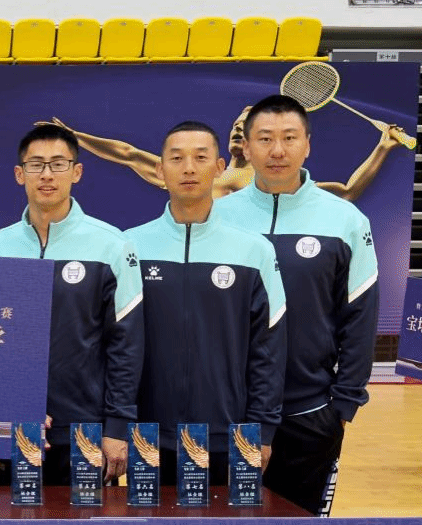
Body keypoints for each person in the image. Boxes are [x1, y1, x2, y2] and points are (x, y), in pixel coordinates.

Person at [213, 94, 379, 516]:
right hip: (226, 414)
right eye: (265, 138)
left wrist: (342, 407)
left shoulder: (346, 220)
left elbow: (360, 316)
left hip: (310, 413)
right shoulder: (216, 217)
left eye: (289, 137)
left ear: (307, 144)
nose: (277, 150)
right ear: (246, 147)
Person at [125, 121, 286, 485]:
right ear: (159, 169)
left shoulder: (254, 250)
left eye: (200, 158)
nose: (188, 168)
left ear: (219, 168)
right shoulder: (129, 246)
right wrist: (118, 425)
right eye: (177, 158)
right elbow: (114, 346)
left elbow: (269, 348)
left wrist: (262, 429)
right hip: (145, 434)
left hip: (231, 435)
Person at [0, 125, 143, 486]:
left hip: (87, 430)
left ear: (77, 172)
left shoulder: (112, 245)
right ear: (19, 174)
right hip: (17, 426)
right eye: (36, 164)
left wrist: (117, 427)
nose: (47, 174)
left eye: (58, 164)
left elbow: (126, 346)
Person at [38, 106, 406, 200]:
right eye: (235, 124)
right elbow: (129, 154)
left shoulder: (275, 182)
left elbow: (347, 192)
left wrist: (383, 146)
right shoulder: (198, 173)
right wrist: (74, 137)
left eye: (246, 127)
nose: (237, 129)